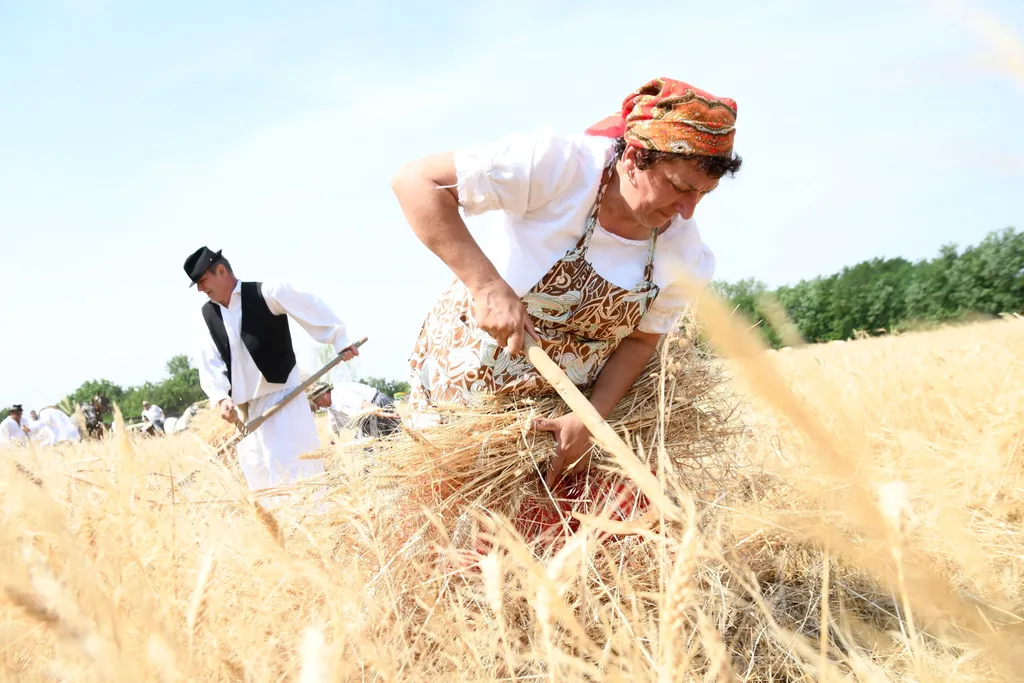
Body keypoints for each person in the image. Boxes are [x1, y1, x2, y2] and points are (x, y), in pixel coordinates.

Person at [392, 77, 741, 534]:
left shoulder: (686, 255)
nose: (688, 210)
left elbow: (639, 342)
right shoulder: (559, 167)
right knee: (452, 527)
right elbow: (415, 182)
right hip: (471, 383)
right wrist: (488, 286)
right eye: (680, 187)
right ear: (635, 158)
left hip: (557, 405)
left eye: (703, 195)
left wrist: (588, 419)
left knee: (563, 535)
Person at [185, 246, 360, 492]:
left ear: (221, 270)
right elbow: (210, 362)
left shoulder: (266, 293)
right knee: (262, 485)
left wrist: (339, 339)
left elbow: (309, 305)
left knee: (298, 476)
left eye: (203, 281)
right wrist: (221, 398)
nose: (201, 289)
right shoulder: (207, 316)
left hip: (284, 401)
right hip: (246, 415)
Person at [308, 381, 401, 441]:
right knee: (381, 447)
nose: (318, 406)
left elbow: (365, 405)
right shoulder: (331, 408)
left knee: (371, 450)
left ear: (324, 395)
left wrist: (385, 414)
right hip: (370, 415)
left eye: (317, 401)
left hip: (377, 405)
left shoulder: (340, 393)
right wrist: (333, 439)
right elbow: (334, 426)